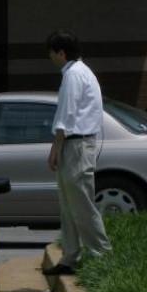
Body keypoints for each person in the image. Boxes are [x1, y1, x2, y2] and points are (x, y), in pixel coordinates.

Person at [43, 30, 112, 275]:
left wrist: (56, 148)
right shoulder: (80, 72)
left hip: (76, 145)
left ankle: (102, 255)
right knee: (69, 203)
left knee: (80, 203)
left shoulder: (73, 75)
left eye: (52, 53)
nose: (50, 57)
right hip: (75, 144)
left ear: (61, 53)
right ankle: (70, 258)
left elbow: (67, 115)